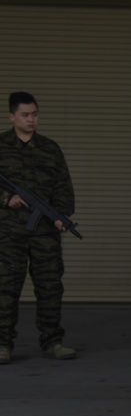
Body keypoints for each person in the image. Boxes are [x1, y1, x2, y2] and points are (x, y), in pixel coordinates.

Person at [0, 92, 76, 365]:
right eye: (25, 114)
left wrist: (60, 216)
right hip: (8, 234)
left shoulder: (50, 148)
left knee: (50, 287)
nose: (31, 119)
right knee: (6, 289)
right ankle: (3, 344)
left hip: (44, 232)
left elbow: (63, 188)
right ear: (12, 117)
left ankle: (53, 341)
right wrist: (6, 199)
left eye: (35, 114)